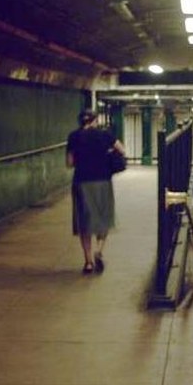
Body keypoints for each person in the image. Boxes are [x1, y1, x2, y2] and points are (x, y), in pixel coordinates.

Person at [66, 109, 126, 274]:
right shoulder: (105, 135)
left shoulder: (74, 136)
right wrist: (107, 154)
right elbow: (122, 150)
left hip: (81, 182)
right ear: (95, 120)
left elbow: (70, 163)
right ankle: (99, 250)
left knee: (84, 223)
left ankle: (88, 262)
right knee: (103, 218)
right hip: (103, 181)